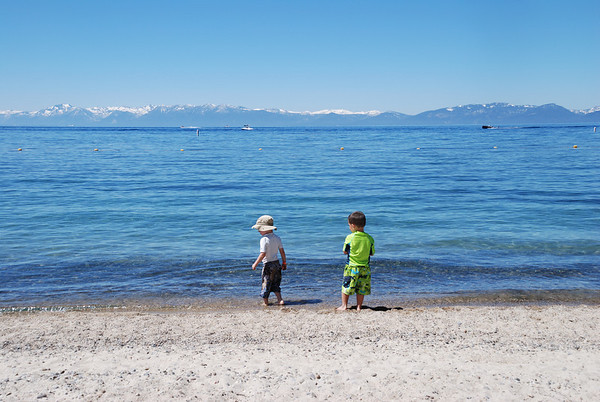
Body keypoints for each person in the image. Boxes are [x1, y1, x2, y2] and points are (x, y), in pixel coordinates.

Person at [337, 211, 375, 312]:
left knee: (346, 286)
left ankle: (344, 305)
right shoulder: (370, 238)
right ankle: (359, 307)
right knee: (361, 288)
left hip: (351, 267)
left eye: (349, 225)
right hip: (365, 267)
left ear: (353, 225)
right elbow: (371, 253)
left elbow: (345, 251)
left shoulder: (350, 237)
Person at [251, 215, 287, 306]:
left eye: (259, 229)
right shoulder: (277, 238)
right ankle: (280, 300)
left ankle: (265, 303)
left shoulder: (264, 239)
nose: (258, 231)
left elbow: (263, 254)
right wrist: (284, 262)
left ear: (265, 229)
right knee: (276, 282)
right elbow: (282, 252)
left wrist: (255, 263)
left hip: (268, 265)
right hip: (276, 264)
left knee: (266, 283)